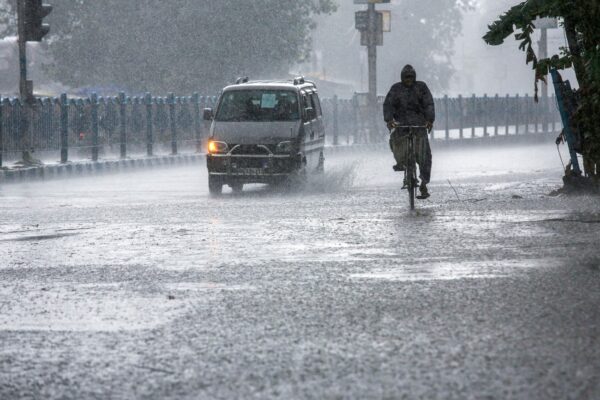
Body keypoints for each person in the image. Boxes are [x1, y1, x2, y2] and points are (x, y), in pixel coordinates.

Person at [383, 64, 435, 199]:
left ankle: (424, 183)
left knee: (425, 155)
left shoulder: (421, 88)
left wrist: (429, 120)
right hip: (401, 126)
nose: (408, 80)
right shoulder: (396, 89)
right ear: (402, 78)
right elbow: (388, 105)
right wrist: (389, 120)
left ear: (415, 77)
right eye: (406, 77)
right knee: (394, 142)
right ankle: (401, 162)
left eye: (411, 77)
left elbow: (429, 103)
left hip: (419, 126)